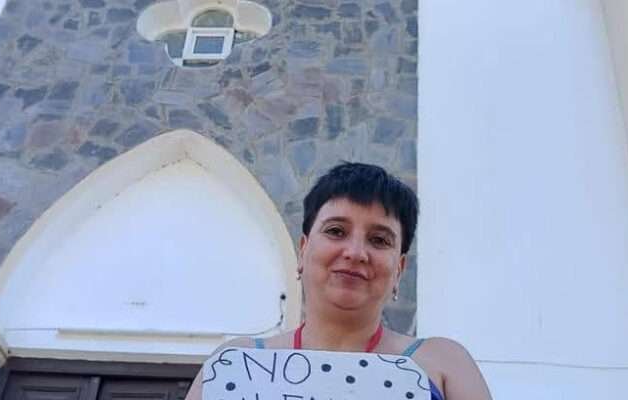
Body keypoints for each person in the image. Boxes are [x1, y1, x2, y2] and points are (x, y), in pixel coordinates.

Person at [185, 162, 492, 399]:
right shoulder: (236, 362)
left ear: (399, 269)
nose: (356, 252)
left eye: (379, 239)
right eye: (336, 231)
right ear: (303, 250)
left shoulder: (444, 364)